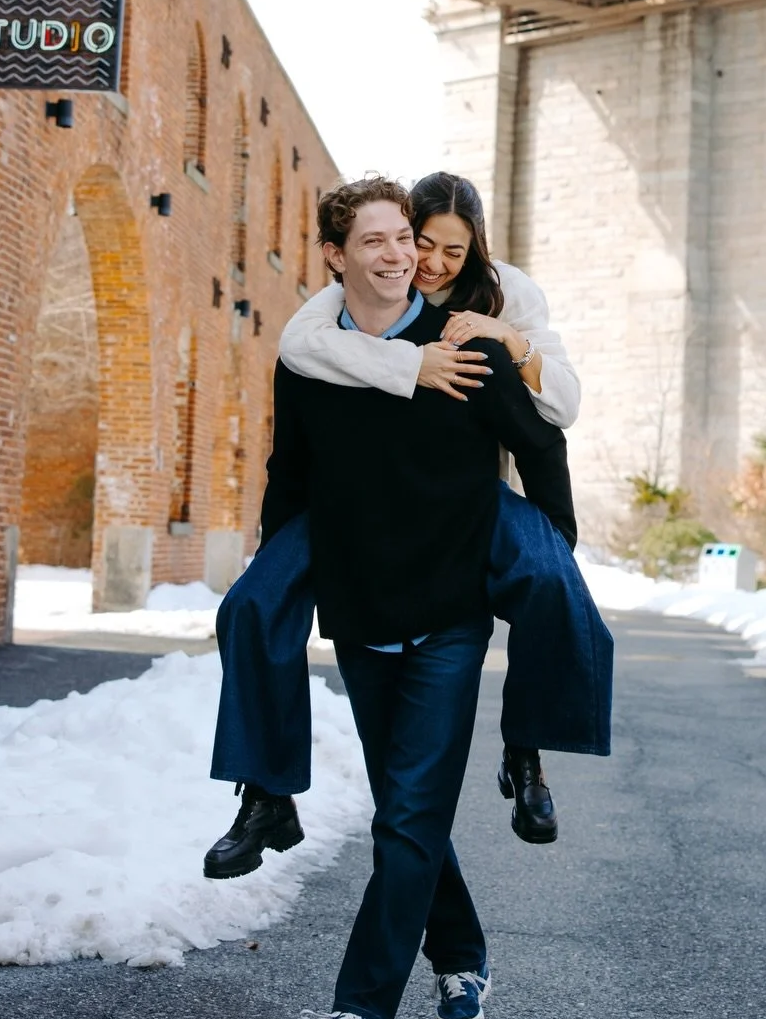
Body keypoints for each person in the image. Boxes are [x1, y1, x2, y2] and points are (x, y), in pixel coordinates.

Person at [205, 174, 610, 874]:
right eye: (417, 241)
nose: (427, 261)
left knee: (552, 582)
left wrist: (510, 344)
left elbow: (552, 423)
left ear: (476, 247)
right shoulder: (339, 307)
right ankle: (265, 793)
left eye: (451, 250)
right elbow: (299, 361)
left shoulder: (507, 296)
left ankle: (528, 754)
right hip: (353, 506)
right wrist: (408, 363)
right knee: (252, 605)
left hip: (470, 500)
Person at [260, 177, 572, 1019]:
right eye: (391, 241)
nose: (411, 260)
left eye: (426, 244)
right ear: (340, 256)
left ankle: (360, 1012)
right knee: (411, 813)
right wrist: (278, 575)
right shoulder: (321, 352)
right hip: (364, 615)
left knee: (406, 818)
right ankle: (465, 959)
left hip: (450, 619)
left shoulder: (466, 340)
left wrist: (554, 543)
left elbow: (546, 431)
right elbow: (296, 473)